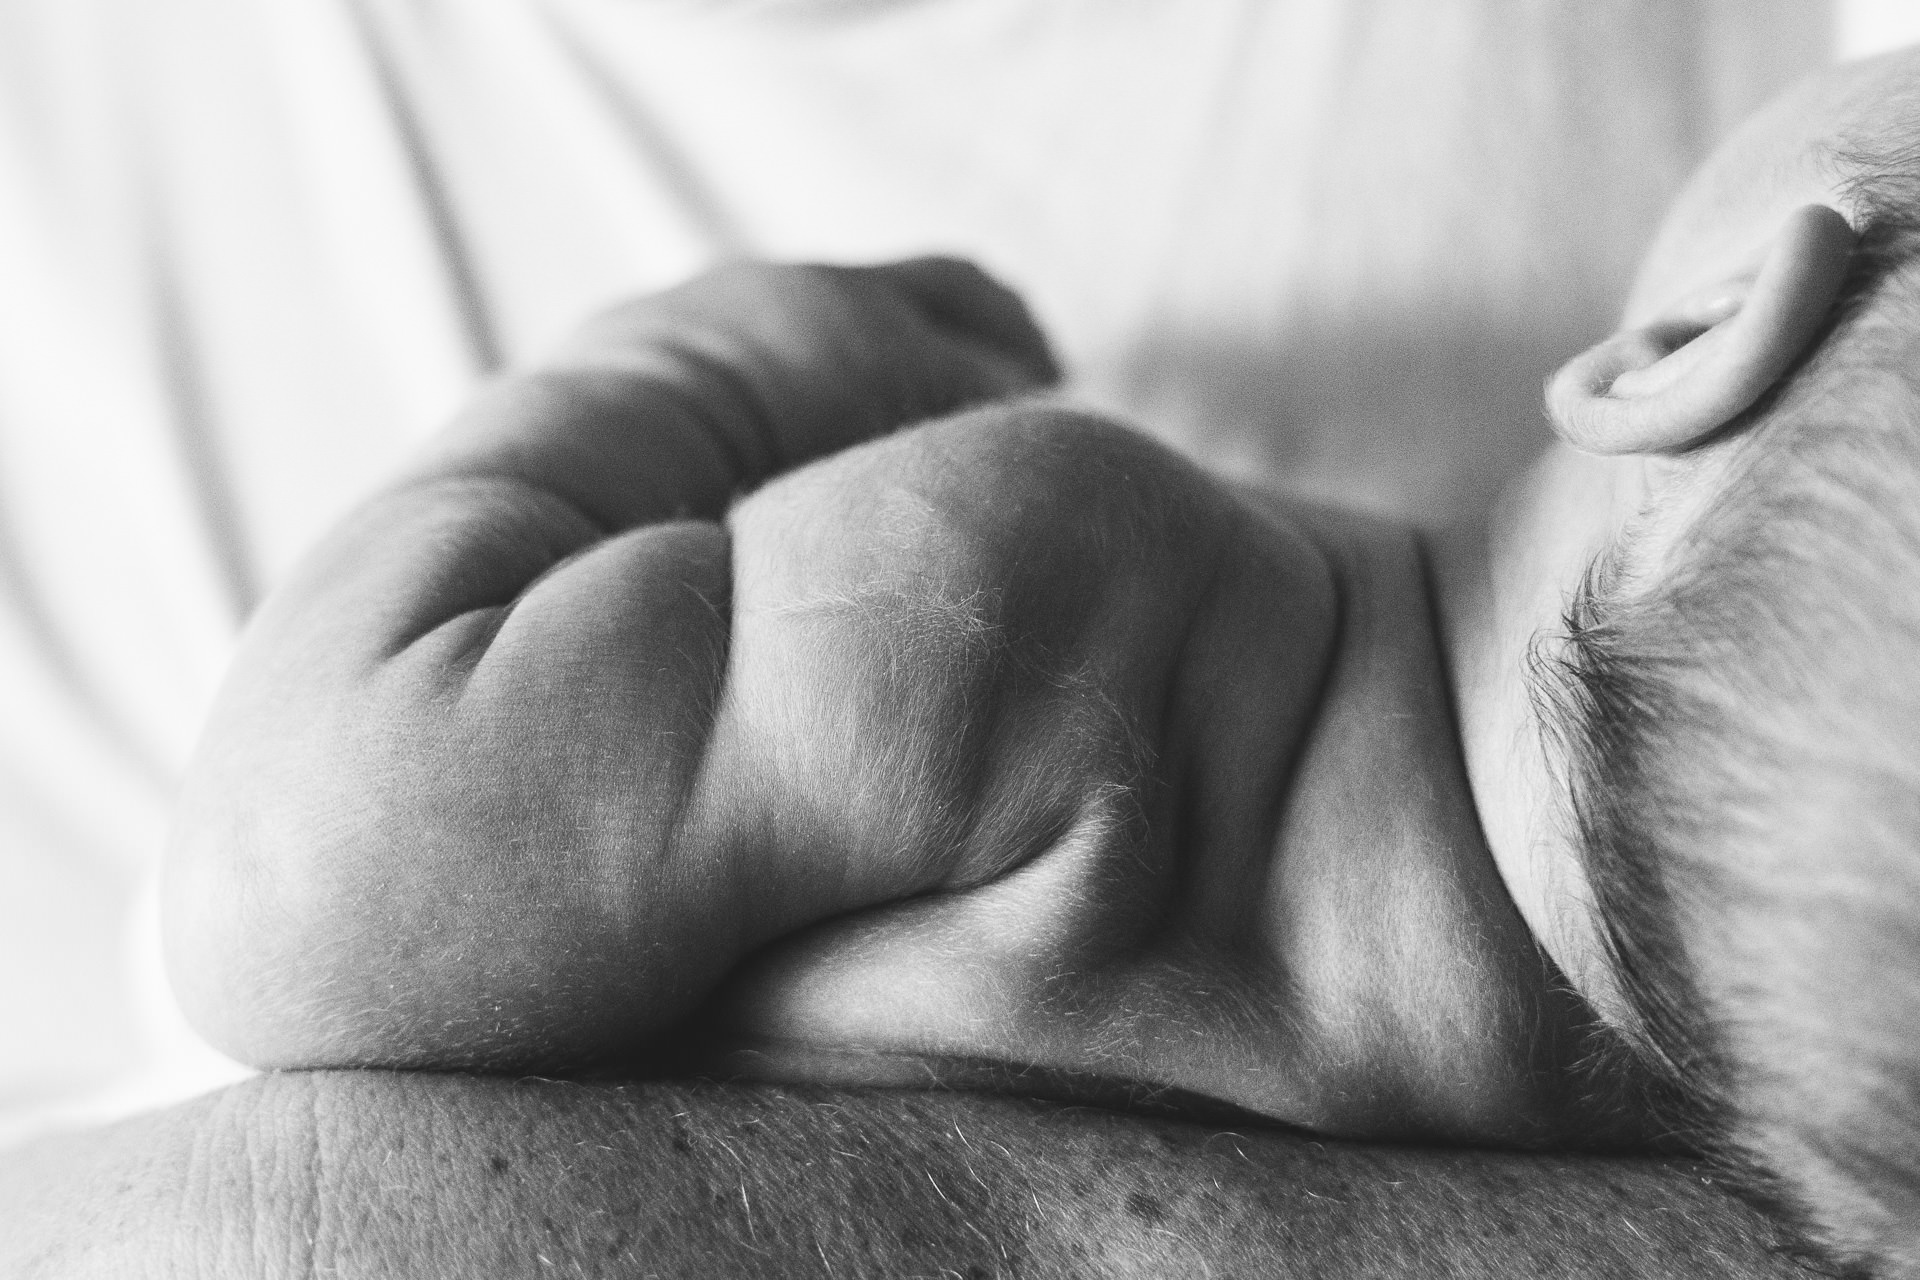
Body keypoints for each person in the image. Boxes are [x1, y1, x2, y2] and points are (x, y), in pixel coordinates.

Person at [163, 43, 1920, 1277]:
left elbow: (299, 874)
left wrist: (687, 384)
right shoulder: (1667, 1161)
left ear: (1690, 346)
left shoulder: (1055, 620)